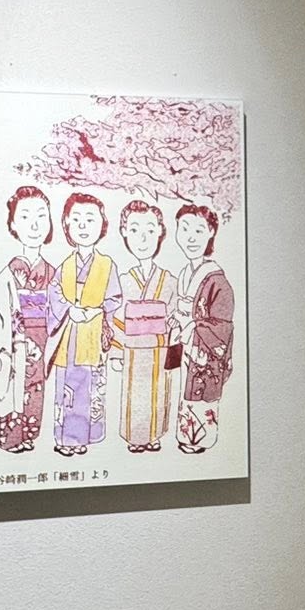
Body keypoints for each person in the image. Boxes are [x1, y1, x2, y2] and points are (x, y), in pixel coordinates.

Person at [0, 185, 56, 453]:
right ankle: (11, 439)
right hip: (16, 346)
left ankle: (30, 436)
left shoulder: (53, 274)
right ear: (13, 224)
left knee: (35, 394)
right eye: (25, 216)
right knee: (12, 390)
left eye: (41, 216)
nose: (34, 224)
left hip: (42, 344)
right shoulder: (8, 274)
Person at [46, 193, 122, 458]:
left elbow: (114, 298)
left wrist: (97, 311)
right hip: (69, 336)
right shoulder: (65, 266)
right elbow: (54, 294)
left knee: (88, 390)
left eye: (90, 219)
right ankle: (67, 440)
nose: (83, 225)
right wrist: (70, 309)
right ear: (66, 224)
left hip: (92, 334)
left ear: (102, 224)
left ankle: (87, 437)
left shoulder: (107, 265)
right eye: (76, 219)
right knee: (68, 390)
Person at [109, 200, 177, 454]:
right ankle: (135, 438)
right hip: (133, 351)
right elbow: (117, 320)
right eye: (135, 230)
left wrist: (175, 354)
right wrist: (116, 352)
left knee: (158, 395)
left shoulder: (169, 281)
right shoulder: (124, 281)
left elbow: (174, 320)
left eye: (149, 230)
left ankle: (155, 435)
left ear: (160, 231)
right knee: (135, 396)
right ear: (125, 232)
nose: (143, 238)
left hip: (159, 350)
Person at [171, 203, 235, 454]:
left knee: (201, 394)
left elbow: (223, 324)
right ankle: (186, 437)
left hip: (205, 351)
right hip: (188, 347)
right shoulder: (184, 273)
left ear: (211, 232)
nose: (190, 238)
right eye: (184, 229)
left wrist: (193, 326)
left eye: (198, 231)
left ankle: (201, 441)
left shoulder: (217, 279)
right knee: (185, 392)